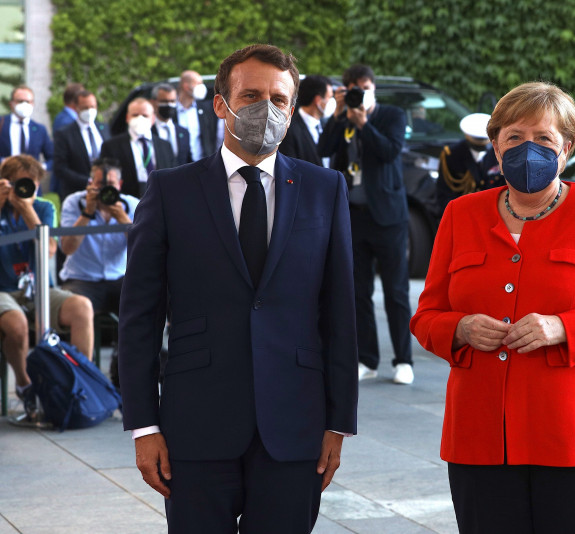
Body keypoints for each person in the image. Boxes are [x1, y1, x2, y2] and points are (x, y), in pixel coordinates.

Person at [118, 44, 358, 533]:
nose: (265, 109)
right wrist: (144, 426)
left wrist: (339, 422)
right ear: (219, 103)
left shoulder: (324, 189)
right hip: (196, 425)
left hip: (295, 428)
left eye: (278, 98)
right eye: (250, 95)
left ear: (292, 108)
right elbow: (139, 316)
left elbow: (340, 314)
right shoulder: (170, 190)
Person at [410, 81, 575, 534]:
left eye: (543, 139)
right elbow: (426, 316)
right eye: (515, 138)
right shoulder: (460, 214)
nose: (530, 149)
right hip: (481, 437)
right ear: (495, 146)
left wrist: (564, 328)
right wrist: (461, 327)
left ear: (566, 147)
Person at [318, 63, 414, 385]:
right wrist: (339, 116)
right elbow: (324, 150)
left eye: (364, 87)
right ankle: (367, 358)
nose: (360, 93)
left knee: (396, 292)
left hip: (387, 217)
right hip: (353, 216)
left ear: (373, 87)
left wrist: (364, 125)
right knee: (359, 291)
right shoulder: (343, 116)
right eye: (353, 88)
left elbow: (390, 152)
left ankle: (403, 359)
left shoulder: (391, 115)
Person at [0, 155, 94, 419]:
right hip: (4, 290)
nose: (26, 189)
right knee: (16, 325)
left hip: (38, 286)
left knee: (81, 307)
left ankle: (78, 384)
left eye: (32, 184)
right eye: (20, 183)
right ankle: (24, 385)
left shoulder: (42, 208)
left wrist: (27, 209)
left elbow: (50, 249)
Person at [60, 158, 138, 388]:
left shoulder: (133, 204)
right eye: (99, 184)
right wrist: (88, 211)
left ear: (120, 184)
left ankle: (125, 367)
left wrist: (123, 219)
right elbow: (67, 248)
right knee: (77, 307)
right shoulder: (74, 203)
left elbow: (142, 248)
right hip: (81, 279)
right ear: (90, 183)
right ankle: (84, 381)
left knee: (145, 300)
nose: (105, 190)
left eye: (111, 185)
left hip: (119, 278)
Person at [99, 98, 175, 197]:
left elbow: (172, 174)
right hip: (128, 202)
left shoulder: (165, 145)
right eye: (135, 115)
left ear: (153, 119)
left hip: (161, 198)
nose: (140, 118)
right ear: (127, 118)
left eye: (145, 115)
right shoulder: (111, 146)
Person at [436, 112, 503, 213]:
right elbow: (445, 193)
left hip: (494, 213)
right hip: (463, 213)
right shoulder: (452, 154)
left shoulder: (500, 152)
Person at [53, 90, 111, 199]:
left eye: (92, 107)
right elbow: (60, 167)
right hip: (77, 193)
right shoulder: (64, 134)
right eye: (85, 107)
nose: (89, 111)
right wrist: (87, 181)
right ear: (76, 108)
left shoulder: (104, 128)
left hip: (104, 190)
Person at [278, 74, 333, 166]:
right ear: (318, 100)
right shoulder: (289, 130)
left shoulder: (325, 125)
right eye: (330, 97)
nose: (332, 102)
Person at [0, 86, 54, 171]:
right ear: (11, 103)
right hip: (4, 179)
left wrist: (41, 167)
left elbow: (53, 158)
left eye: (27, 101)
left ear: (33, 104)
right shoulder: (2, 123)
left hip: (30, 181)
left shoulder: (40, 129)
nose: (24, 104)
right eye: (20, 101)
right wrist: (3, 162)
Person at [176, 70, 219, 161]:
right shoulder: (172, 111)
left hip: (201, 165)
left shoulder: (205, 110)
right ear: (186, 87)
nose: (202, 86)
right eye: (198, 83)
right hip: (179, 168)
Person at [150, 83, 192, 166]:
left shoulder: (183, 132)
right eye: (164, 101)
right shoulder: (148, 131)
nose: (169, 105)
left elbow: (188, 160)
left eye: (172, 101)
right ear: (153, 102)